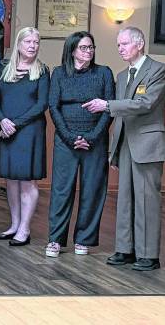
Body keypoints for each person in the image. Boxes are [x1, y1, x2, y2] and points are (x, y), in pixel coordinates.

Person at [82, 26, 165, 271]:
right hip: (125, 142)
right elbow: (121, 113)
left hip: (147, 143)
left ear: (139, 44)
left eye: (124, 44)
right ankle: (125, 249)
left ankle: (148, 254)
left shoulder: (159, 70)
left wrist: (107, 104)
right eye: (118, 44)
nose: (119, 48)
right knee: (124, 199)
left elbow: (145, 103)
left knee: (147, 200)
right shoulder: (122, 76)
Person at [45, 31, 114, 258]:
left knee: (92, 190)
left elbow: (108, 109)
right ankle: (55, 240)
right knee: (61, 190)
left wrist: (92, 137)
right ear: (72, 50)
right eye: (83, 47)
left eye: (91, 47)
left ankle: (84, 239)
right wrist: (70, 136)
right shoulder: (59, 74)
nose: (88, 51)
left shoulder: (103, 73)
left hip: (95, 139)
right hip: (66, 140)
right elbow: (53, 107)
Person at [0, 26, 49, 247]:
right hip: (6, 130)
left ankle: (24, 228)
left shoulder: (42, 70)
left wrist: (15, 123)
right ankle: (14, 225)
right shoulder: (4, 67)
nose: (32, 46)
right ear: (19, 44)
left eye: (36, 43)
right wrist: (2, 120)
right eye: (28, 42)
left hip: (29, 132)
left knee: (26, 182)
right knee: (10, 180)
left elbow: (42, 104)